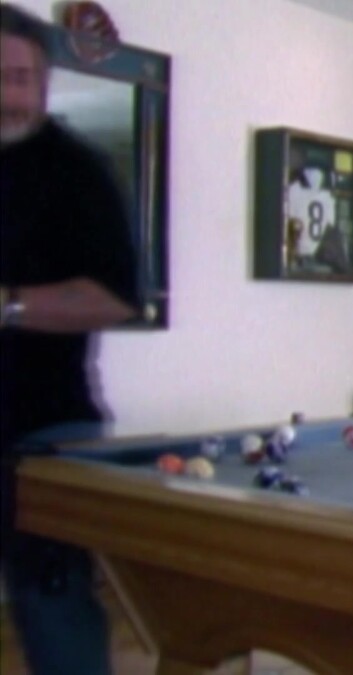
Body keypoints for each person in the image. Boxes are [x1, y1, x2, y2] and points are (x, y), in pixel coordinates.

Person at [1, 4, 139, 673]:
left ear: (44, 82)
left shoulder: (78, 171)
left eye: (18, 77)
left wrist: (7, 305)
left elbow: (115, 298)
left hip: (48, 431)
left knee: (53, 610)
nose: (6, 94)